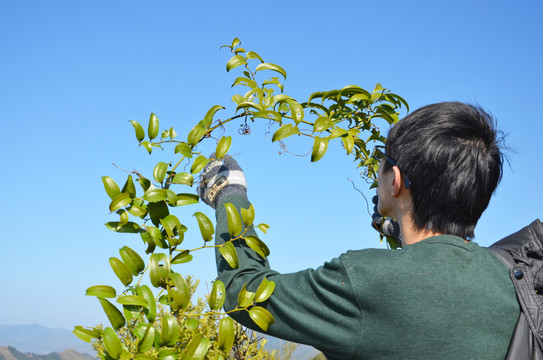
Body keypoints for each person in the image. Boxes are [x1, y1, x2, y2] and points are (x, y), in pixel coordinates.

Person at [198, 101, 520, 360]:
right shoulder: (517, 278)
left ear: (395, 181)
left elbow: (244, 291)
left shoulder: (363, 280)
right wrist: (402, 233)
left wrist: (231, 194)